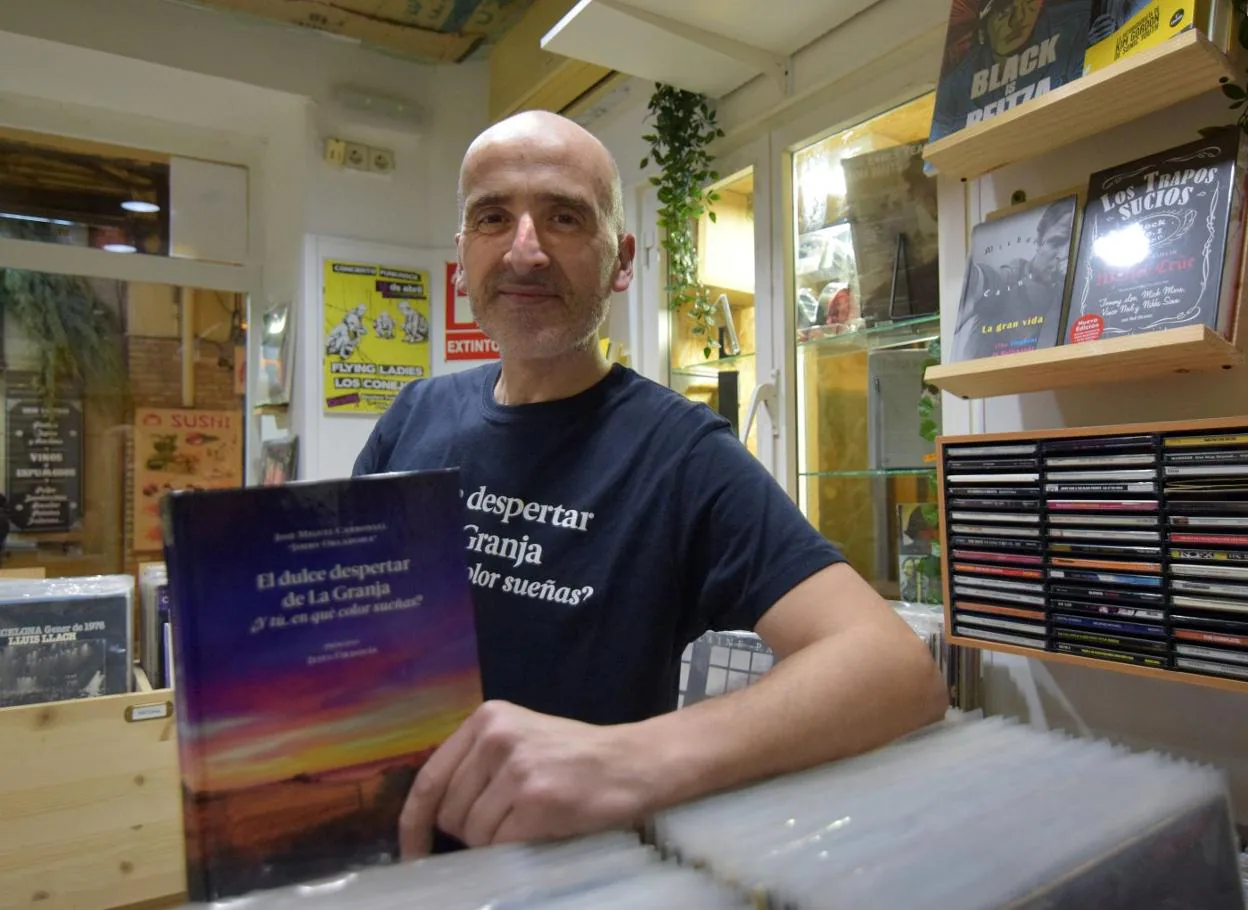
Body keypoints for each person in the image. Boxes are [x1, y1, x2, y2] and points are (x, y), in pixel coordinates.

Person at [352, 110, 948, 859]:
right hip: (387, 860)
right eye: (493, 217)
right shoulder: (413, 417)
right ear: (463, 253)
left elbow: (894, 669)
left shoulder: (679, 454)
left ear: (621, 260)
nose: (525, 250)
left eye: (564, 217)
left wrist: (628, 761)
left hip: (574, 883)